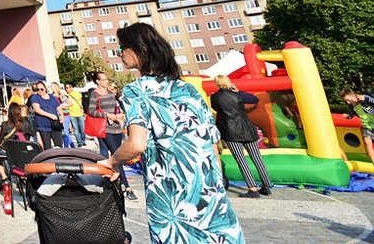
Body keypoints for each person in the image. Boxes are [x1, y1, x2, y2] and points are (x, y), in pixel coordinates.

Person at [100, 22, 244, 243]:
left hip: (170, 189)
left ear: (140, 50)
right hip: (207, 185)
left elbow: (137, 144)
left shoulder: (136, 90)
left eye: (121, 48)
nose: (119, 54)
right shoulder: (188, 89)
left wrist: (111, 161)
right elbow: (212, 143)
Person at [211, 75, 272, 197]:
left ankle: (252, 188)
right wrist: (238, 91)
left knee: (241, 160)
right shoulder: (238, 94)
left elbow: (216, 108)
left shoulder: (215, 97)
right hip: (248, 130)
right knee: (257, 158)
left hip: (231, 132)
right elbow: (254, 99)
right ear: (228, 82)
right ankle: (266, 185)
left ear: (217, 84)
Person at [85, 72, 135, 199]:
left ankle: (111, 180)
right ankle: (127, 186)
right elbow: (91, 111)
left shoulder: (111, 93)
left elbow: (117, 108)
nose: (106, 82)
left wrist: (120, 115)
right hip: (105, 129)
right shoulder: (94, 95)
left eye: (107, 79)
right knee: (117, 154)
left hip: (116, 128)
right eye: (103, 80)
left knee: (115, 156)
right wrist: (107, 115)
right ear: (97, 81)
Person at [0, 103, 27, 190]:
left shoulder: (5, 124)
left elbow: (0, 140)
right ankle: (21, 178)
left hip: (6, 151)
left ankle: (4, 177)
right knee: (12, 159)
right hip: (19, 152)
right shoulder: (24, 125)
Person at [341, 88, 374, 164]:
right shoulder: (352, 107)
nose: (348, 102)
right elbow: (352, 115)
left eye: (348, 100)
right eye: (346, 101)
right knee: (367, 142)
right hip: (366, 126)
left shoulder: (364, 98)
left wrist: (365, 99)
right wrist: (347, 116)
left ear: (351, 95)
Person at [29, 82, 63, 149]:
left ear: (45, 88)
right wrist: (50, 115)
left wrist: (62, 115)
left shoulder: (52, 97)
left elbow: (58, 107)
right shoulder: (35, 97)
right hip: (43, 126)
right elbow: (37, 109)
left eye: (41, 89)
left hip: (55, 125)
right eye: (37, 89)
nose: (40, 91)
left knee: (59, 146)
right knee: (47, 147)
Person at [51, 82, 74, 147]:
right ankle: (72, 146)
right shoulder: (51, 96)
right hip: (57, 115)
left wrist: (62, 105)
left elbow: (70, 103)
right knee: (63, 132)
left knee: (65, 132)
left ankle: (66, 147)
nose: (52, 88)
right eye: (51, 87)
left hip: (65, 114)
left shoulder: (61, 95)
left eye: (53, 86)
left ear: (56, 87)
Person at [65, 83, 86, 147]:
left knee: (82, 128)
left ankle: (83, 140)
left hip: (79, 113)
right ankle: (79, 142)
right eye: (66, 88)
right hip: (72, 114)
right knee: (76, 129)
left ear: (71, 88)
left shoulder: (77, 94)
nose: (67, 89)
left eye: (67, 87)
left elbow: (80, 102)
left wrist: (82, 109)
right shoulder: (66, 96)